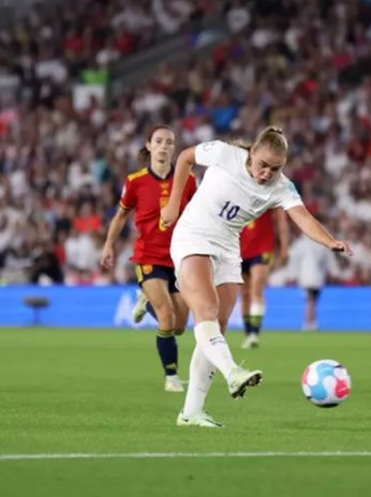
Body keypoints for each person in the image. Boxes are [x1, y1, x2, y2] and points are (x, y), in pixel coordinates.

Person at [160, 126, 352, 428]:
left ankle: (191, 413)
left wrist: (329, 241)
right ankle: (233, 372)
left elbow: (302, 216)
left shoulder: (281, 187)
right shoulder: (225, 154)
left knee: (217, 327)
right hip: (193, 235)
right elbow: (185, 158)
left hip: (228, 247)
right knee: (206, 311)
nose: (267, 173)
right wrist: (173, 204)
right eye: (263, 165)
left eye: (275, 168)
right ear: (251, 154)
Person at [100, 125, 198, 393]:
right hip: (148, 257)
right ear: (149, 145)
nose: (164, 146)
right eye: (159, 141)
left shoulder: (187, 180)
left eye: (169, 142)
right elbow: (120, 216)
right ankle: (171, 377)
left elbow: (197, 213)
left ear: (174, 148)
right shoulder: (135, 181)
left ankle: (146, 300)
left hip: (179, 258)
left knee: (178, 327)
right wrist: (109, 245)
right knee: (166, 317)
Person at [239, 208, 289, 349]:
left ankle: (255, 332)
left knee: (256, 289)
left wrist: (284, 247)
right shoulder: (235, 189)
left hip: (262, 247)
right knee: (245, 294)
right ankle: (248, 333)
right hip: (238, 249)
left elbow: (281, 220)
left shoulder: (267, 191)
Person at [288, 225, 338, 330]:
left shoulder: (300, 243)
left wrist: (292, 275)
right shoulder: (322, 243)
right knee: (311, 299)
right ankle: (310, 323)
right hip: (316, 277)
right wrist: (334, 272)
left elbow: (293, 259)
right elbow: (330, 261)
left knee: (310, 299)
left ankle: (309, 322)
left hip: (306, 277)